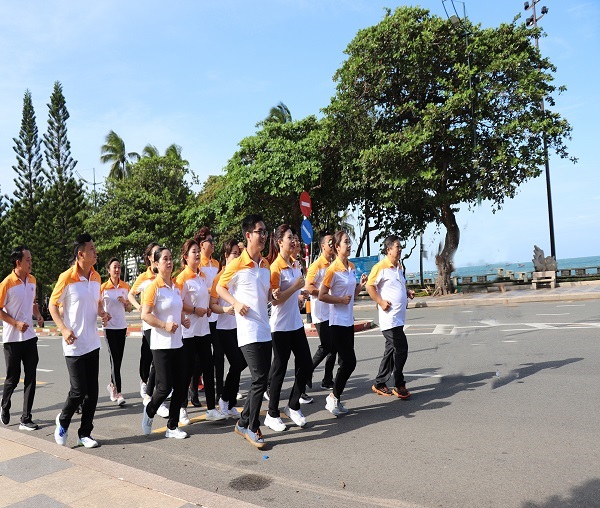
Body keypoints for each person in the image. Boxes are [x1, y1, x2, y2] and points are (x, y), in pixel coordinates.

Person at [49, 234, 110, 448]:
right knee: (78, 390)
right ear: (81, 254)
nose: (96, 251)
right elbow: (52, 305)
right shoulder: (67, 277)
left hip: (92, 342)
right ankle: (63, 420)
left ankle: (85, 433)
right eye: (92, 248)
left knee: (92, 393)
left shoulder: (96, 277)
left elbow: (97, 303)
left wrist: (103, 313)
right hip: (73, 344)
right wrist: (64, 329)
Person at [217, 213, 272, 448]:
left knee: (263, 379)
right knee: (259, 379)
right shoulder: (236, 264)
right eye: (260, 232)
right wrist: (236, 303)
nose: (264, 236)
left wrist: (274, 295)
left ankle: (242, 423)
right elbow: (220, 288)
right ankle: (252, 427)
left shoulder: (266, 264)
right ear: (248, 235)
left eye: (265, 232)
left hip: (265, 328)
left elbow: (265, 295)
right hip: (248, 330)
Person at [263, 225, 313, 431]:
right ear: (279, 242)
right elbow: (275, 300)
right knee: (279, 369)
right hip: (280, 326)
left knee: (306, 364)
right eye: (289, 237)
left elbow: (292, 294)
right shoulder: (275, 267)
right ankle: (272, 414)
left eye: (294, 237)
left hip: (295, 324)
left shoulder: (294, 264)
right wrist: (295, 288)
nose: (293, 241)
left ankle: (293, 405)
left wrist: (301, 296)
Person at [141, 247, 190, 439]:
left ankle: (172, 427)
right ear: (156, 264)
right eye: (165, 259)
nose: (169, 262)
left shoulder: (176, 285)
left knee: (181, 386)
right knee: (164, 387)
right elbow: (145, 315)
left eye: (170, 258)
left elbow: (177, 308)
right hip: (161, 345)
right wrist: (164, 325)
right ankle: (150, 410)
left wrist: (183, 319)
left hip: (178, 343)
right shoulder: (153, 287)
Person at [176, 239, 227, 425]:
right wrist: (194, 310)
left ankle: (211, 409)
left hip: (203, 329)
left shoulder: (203, 276)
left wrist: (207, 309)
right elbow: (177, 303)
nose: (197, 254)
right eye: (193, 251)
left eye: (198, 251)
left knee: (208, 367)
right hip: (188, 331)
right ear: (185, 257)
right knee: (187, 370)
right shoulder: (182, 278)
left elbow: (207, 298)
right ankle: (181, 408)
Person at [318, 231, 367, 416]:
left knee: (346, 362)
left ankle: (335, 398)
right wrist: (339, 300)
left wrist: (361, 285)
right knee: (350, 362)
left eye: (349, 242)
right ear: (337, 247)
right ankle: (333, 397)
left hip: (348, 321)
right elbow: (322, 295)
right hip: (336, 322)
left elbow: (351, 295)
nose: (349, 245)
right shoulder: (332, 270)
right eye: (346, 242)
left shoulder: (351, 267)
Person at [0, 246, 44, 431]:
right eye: (28, 260)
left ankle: (26, 418)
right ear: (18, 262)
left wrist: (38, 315)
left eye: (31, 259)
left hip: (30, 337)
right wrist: (15, 323)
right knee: (13, 377)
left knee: (31, 377)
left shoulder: (32, 280)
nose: (31, 263)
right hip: (12, 340)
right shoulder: (6, 283)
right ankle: (4, 405)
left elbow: (32, 303)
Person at [366, 235, 415, 399]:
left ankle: (379, 383)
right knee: (402, 349)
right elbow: (370, 286)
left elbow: (398, 286)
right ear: (388, 250)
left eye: (400, 247)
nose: (400, 249)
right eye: (397, 247)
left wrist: (407, 292)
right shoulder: (380, 267)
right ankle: (399, 385)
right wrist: (380, 301)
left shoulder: (398, 268)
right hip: (390, 319)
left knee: (391, 351)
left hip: (398, 318)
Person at [210, 239, 246, 418]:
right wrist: (225, 309)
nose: (237, 257)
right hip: (224, 328)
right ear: (225, 255)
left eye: (239, 254)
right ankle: (224, 398)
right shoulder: (219, 277)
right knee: (236, 363)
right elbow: (212, 305)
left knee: (242, 362)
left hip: (240, 326)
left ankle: (230, 403)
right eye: (234, 254)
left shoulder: (240, 275)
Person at [193, 227, 223, 405]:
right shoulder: (198, 265)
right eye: (209, 241)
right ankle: (193, 391)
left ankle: (220, 393)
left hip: (216, 315)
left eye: (213, 240)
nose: (212, 243)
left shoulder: (217, 263)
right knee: (199, 358)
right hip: (202, 315)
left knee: (218, 355)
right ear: (201, 244)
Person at [305, 232, 337, 391]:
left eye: (334, 242)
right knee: (326, 346)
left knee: (333, 347)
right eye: (330, 243)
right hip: (321, 313)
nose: (332, 245)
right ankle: (306, 372)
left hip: (333, 312)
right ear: (323, 246)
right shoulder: (316, 265)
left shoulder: (334, 264)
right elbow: (308, 287)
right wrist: (324, 293)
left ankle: (327, 380)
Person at [128, 242, 159, 401]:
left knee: (158, 357)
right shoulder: (144, 277)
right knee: (149, 355)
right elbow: (131, 294)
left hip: (160, 322)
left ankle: (157, 386)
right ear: (150, 257)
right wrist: (139, 306)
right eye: (155, 253)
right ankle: (145, 382)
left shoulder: (164, 275)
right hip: (148, 323)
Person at [101, 258, 132, 406]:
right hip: (109, 328)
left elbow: (130, 308)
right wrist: (103, 316)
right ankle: (119, 392)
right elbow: (97, 307)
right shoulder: (103, 288)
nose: (117, 269)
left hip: (121, 327)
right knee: (114, 359)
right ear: (109, 270)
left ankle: (112, 385)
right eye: (114, 267)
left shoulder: (125, 286)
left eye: (119, 267)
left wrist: (125, 303)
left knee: (118, 360)